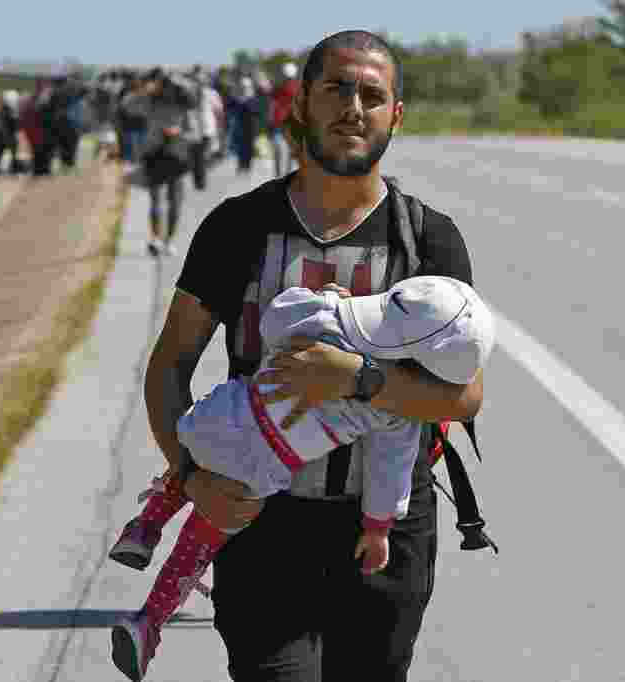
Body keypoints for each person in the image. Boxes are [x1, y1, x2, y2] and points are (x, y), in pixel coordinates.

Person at [138, 30, 483, 682]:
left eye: (373, 95)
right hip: (261, 526)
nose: (354, 107)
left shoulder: (428, 241)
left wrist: (360, 381)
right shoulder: (238, 227)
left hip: (385, 533)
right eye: (336, 88)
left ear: (396, 116)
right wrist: (194, 476)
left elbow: (463, 396)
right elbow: (171, 365)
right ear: (301, 105)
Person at [110, 277, 494, 682]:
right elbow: (388, 466)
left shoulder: (330, 321)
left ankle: (146, 526)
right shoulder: (396, 408)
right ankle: (149, 620)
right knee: (202, 537)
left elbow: (275, 319)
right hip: (263, 465)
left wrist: (328, 297)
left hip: (225, 412)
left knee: (196, 457)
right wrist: (378, 527)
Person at [119, 68, 199, 257]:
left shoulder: (183, 103)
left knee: (175, 200)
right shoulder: (149, 101)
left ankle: (168, 240)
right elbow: (127, 105)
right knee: (156, 198)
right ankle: (155, 239)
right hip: (154, 153)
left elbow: (194, 132)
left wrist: (178, 133)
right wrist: (144, 90)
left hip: (177, 154)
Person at [270, 62, 302, 177]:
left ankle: (280, 176)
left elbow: (273, 105)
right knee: (288, 151)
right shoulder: (298, 87)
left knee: (281, 151)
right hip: (289, 123)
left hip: (282, 123)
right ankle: (284, 176)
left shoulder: (278, 88)